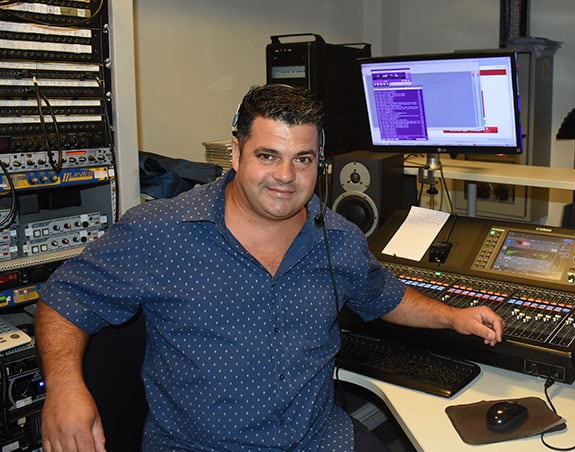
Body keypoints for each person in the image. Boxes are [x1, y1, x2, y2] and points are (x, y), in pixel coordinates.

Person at [34, 84, 505, 451]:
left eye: (303, 159)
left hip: (320, 442)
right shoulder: (161, 231)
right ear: (235, 154)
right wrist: (63, 388)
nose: (285, 176)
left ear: (319, 164)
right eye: (267, 156)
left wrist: (453, 317)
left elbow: (382, 294)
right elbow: (64, 301)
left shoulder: (336, 237)